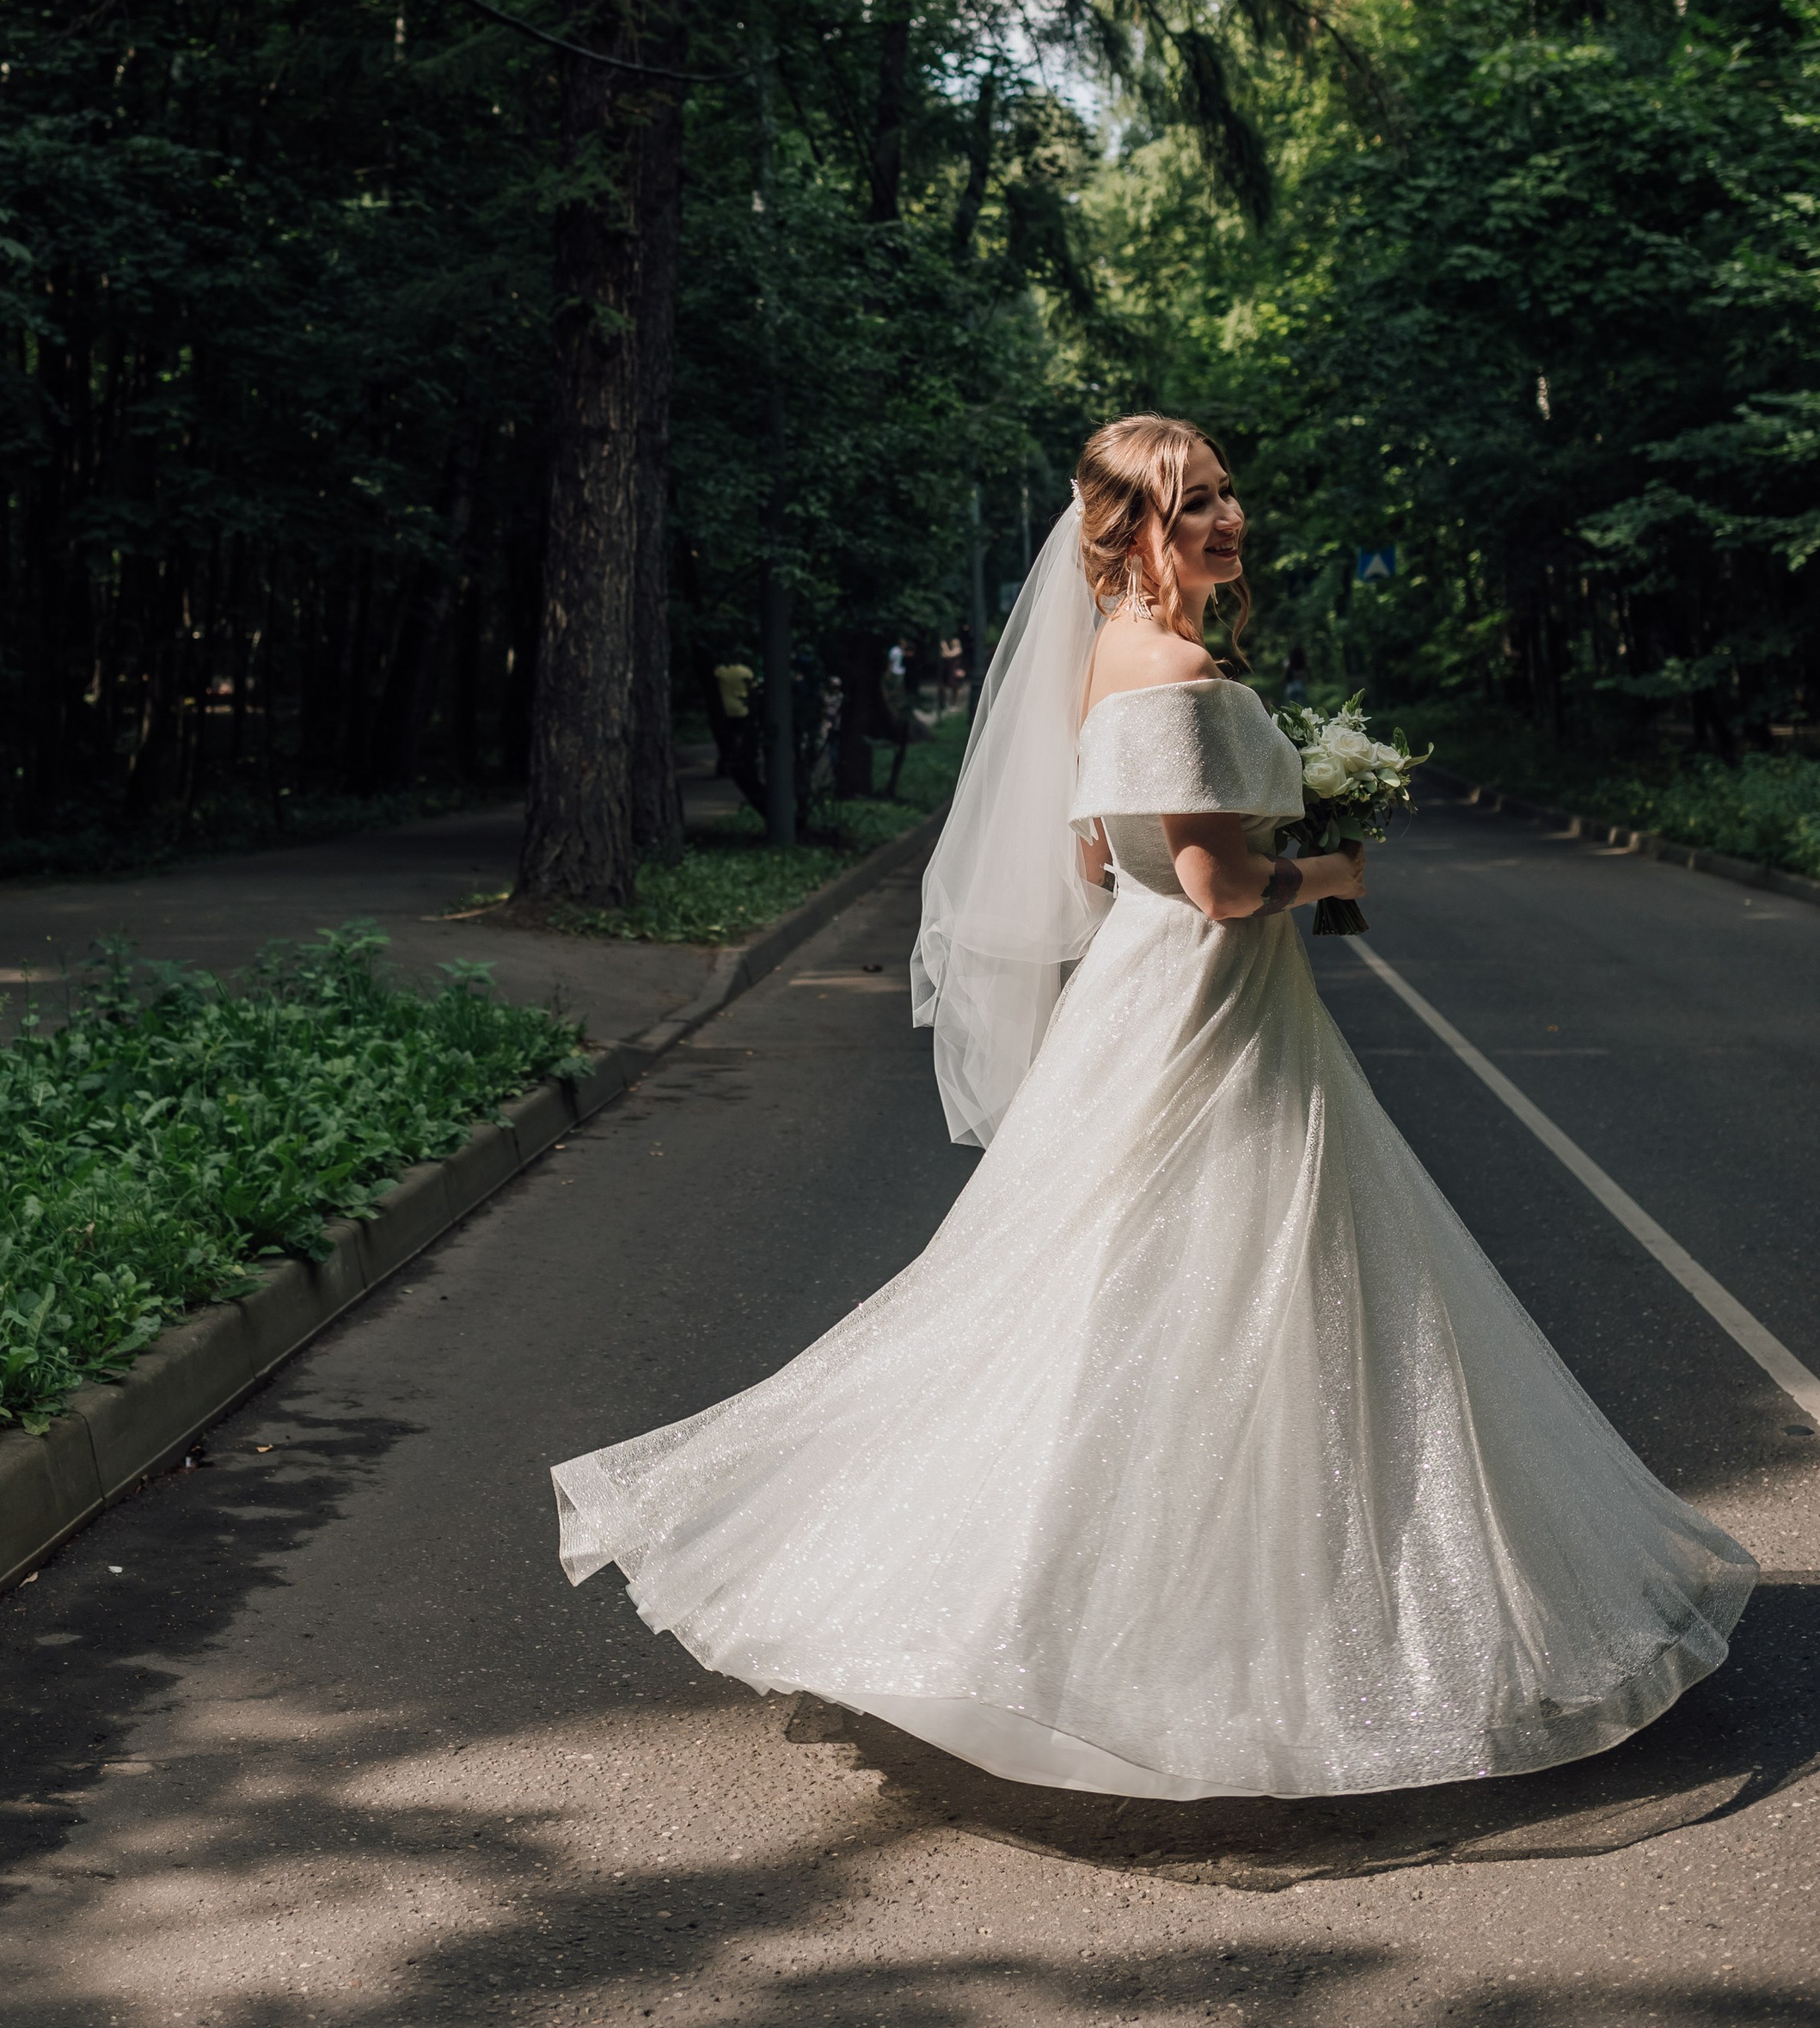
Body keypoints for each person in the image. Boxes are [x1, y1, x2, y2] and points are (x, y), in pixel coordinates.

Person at [553, 412, 1750, 1801]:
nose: (1229, 519)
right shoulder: (1179, 672)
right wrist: (1332, 870)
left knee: (1104, 1294)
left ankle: (1064, 1607)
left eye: (1230, 495)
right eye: (1197, 507)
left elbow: (1087, 864)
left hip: (1134, 1003)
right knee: (1254, 1288)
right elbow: (1224, 894)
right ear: (1132, 535)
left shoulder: (1105, 670)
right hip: (1214, 1016)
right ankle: (1249, 1652)